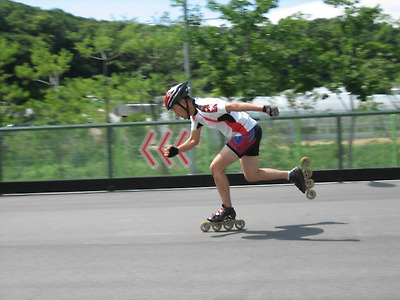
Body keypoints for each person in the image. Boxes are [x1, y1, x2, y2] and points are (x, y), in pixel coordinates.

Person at [163, 81, 307, 222]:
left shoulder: (206, 107)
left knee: (216, 167)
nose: (176, 114)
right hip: (250, 131)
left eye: (175, 109)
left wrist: (264, 108)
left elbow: (234, 106)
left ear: (183, 102)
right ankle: (292, 174)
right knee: (252, 175)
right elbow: (194, 140)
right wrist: (177, 150)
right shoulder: (195, 117)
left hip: (246, 133)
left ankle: (227, 209)